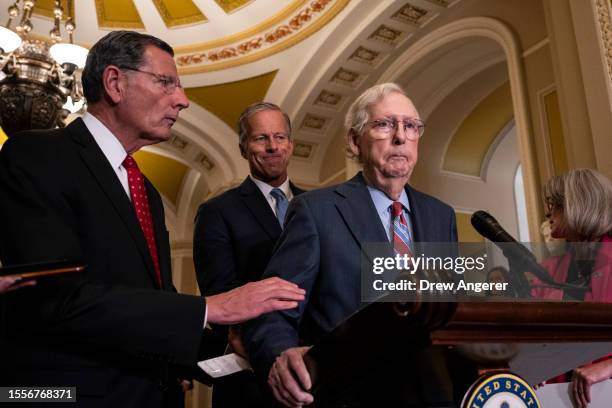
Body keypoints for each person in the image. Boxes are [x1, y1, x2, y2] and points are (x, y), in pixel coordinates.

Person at [0, 30, 305, 407]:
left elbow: (154, 304)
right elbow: (53, 302)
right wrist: (212, 307)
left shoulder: (145, 191)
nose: (183, 101)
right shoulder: (37, 156)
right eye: (166, 83)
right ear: (114, 82)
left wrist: (246, 352)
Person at [243, 83, 458, 407]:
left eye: (410, 126)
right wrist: (281, 357)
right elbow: (274, 311)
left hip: (434, 396)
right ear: (355, 141)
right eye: (385, 124)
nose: (400, 137)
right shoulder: (317, 211)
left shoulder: (441, 215)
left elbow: (449, 311)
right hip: (351, 396)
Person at [193, 102, 305, 407]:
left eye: (280, 137)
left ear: (291, 145)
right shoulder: (217, 212)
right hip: (251, 377)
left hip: (316, 368)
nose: (272, 147)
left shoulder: (319, 205)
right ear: (244, 148)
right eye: (261, 138)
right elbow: (221, 296)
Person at [531, 169, 612, 408]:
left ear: (580, 207)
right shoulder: (548, 269)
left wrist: (607, 367)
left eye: (556, 205)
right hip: (557, 398)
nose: (548, 213)